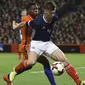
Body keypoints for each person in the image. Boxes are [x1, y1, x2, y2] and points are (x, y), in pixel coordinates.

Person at [4, 1, 85, 85]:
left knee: (64, 60)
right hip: (36, 44)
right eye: (51, 12)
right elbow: (25, 23)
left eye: (53, 12)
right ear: (46, 11)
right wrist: (15, 26)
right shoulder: (38, 21)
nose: (53, 14)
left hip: (48, 43)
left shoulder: (54, 17)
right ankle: (12, 74)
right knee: (31, 62)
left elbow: (65, 10)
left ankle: (79, 82)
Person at [3, 2, 57, 85]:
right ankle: (10, 75)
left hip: (33, 46)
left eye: (37, 9)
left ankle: (9, 76)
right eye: (34, 9)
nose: (36, 10)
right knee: (37, 62)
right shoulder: (26, 18)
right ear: (28, 11)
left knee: (32, 64)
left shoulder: (37, 19)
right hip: (26, 46)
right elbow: (28, 24)